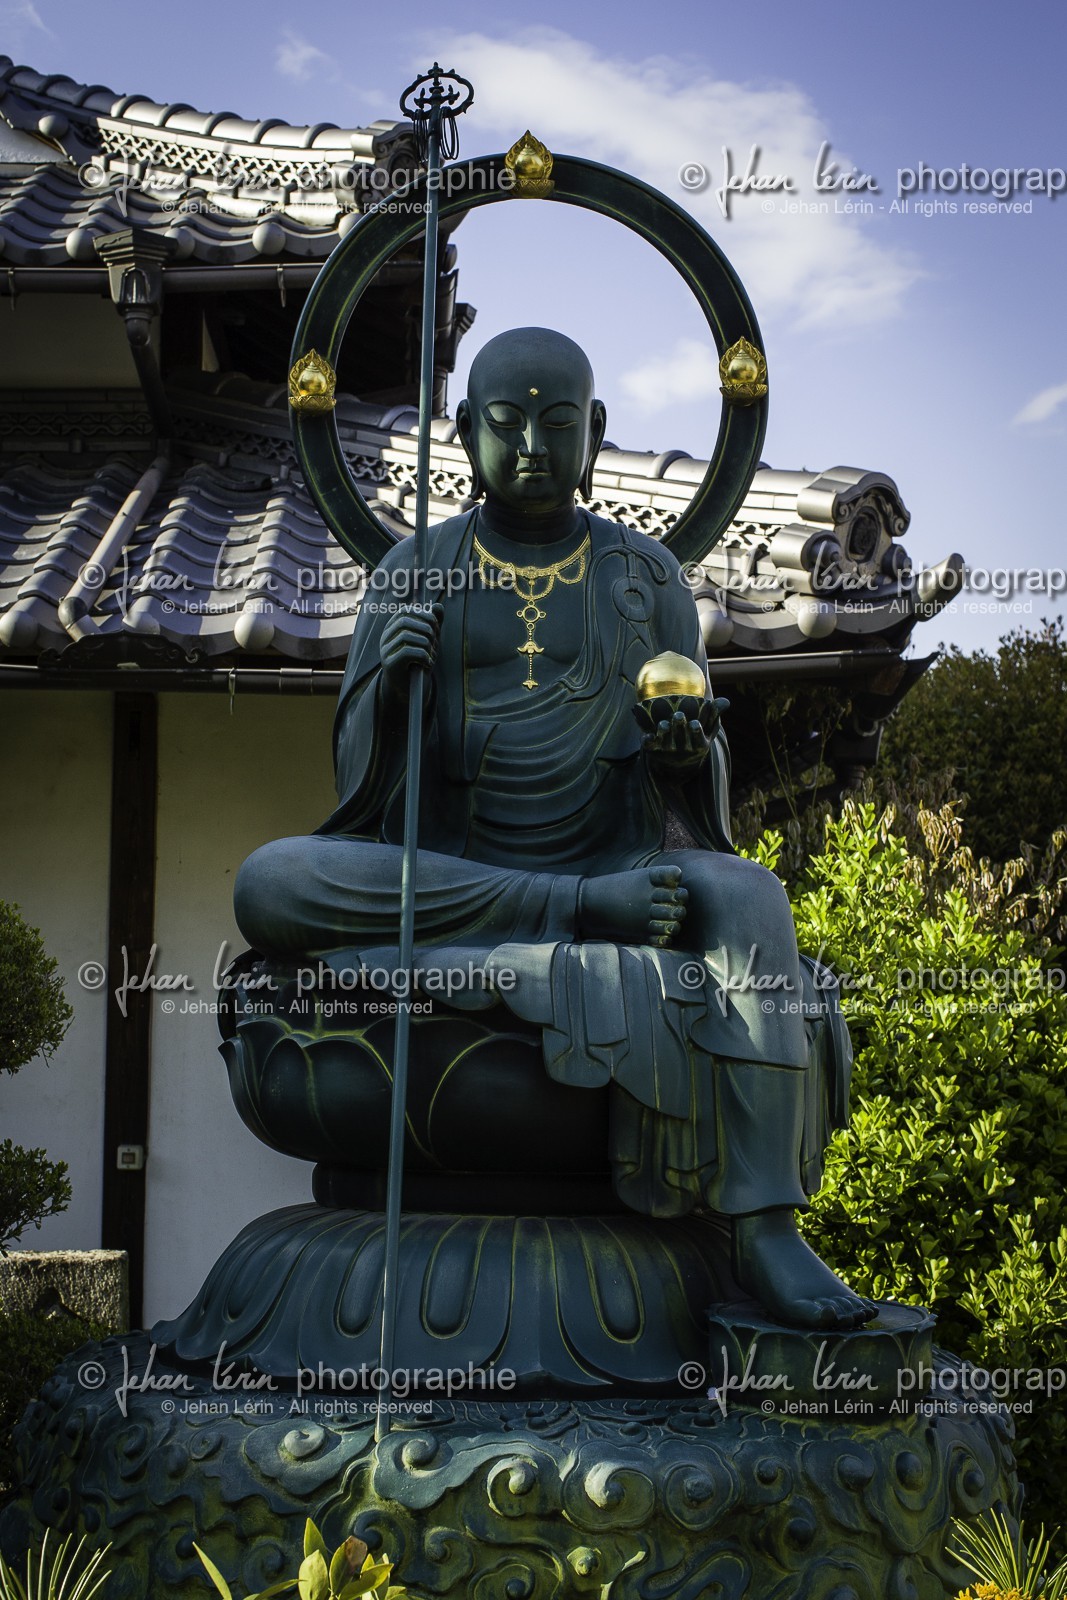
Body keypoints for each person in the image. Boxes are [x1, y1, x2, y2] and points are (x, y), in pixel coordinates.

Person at [235, 326, 872, 1331]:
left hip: (625, 867)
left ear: (595, 432)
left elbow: (692, 788)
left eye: (557, 421)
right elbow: (369, 800)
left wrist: (680, 752)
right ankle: (569, 912)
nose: (531, 442)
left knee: (749, 893)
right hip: (459, 876)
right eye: (504, 420)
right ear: (462, 431)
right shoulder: (417, 570)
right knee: (269, 883)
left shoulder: (645, 578)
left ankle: (764, 1220)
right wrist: (390, 690)